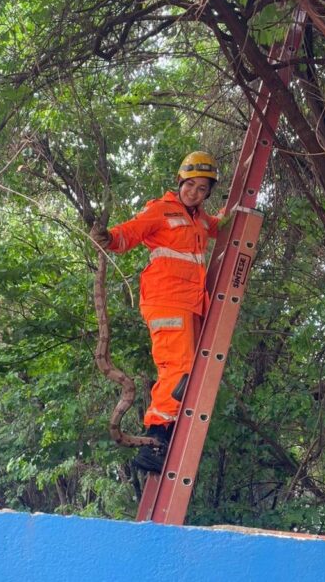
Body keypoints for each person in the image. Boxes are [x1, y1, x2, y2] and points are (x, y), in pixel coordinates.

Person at [91, 151, 222, 473]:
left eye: (203, 189)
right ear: (180, 182)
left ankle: (168, 427)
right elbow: (129, 233)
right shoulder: (161, 210)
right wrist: (108, 237)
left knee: (188, 370)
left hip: (192, 304)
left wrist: (236, 215)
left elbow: (219, 226)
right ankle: (156, 438)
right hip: (166, 301)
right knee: (178, 368)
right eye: (191, 185)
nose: (195, 192)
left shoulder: (201, 219)